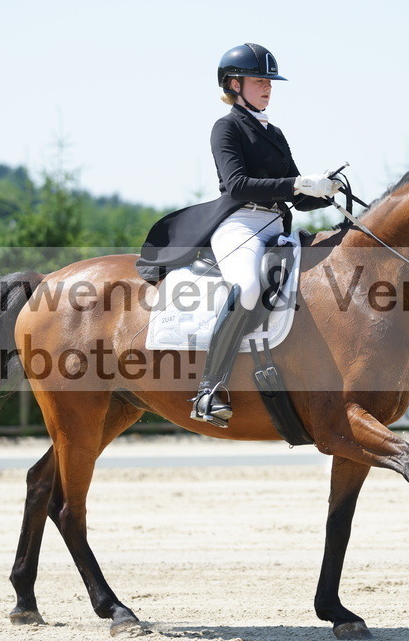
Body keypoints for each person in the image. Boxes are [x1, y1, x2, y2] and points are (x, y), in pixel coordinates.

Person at [136, 42, 340, 427]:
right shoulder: (226, 127)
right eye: (259, 80)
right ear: (233, 83)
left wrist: (325, 192)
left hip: (277, 226)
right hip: (240, 224)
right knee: (247, 287)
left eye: (270, 81)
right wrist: (299, 182)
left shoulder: (274, 132)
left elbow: (294, 195)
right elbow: (238, 184)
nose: (268, 87)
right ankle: (209, 390)